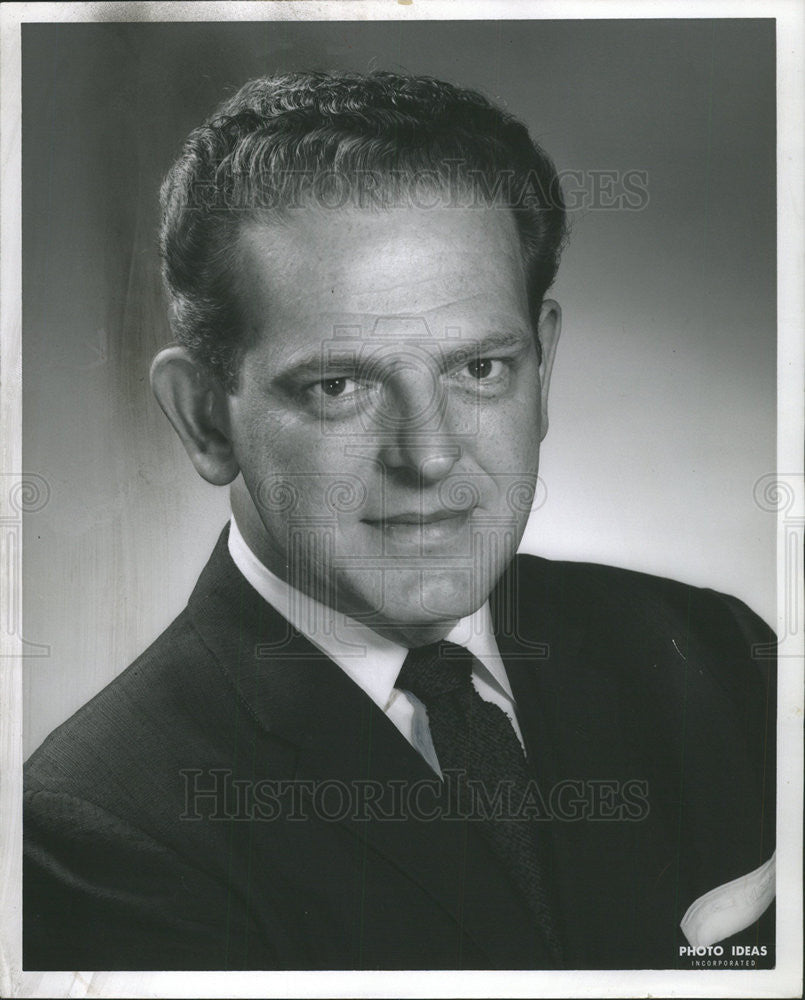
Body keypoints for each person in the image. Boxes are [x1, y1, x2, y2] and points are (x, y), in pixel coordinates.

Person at [23, 71, 776, 971]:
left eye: (480, 370)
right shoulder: (98, 830)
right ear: (204, 418)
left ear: (543, 368)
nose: (427, 457)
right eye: (339, 386)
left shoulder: (716, 654)